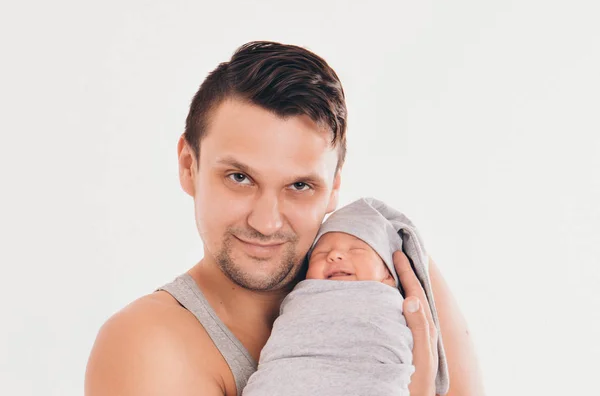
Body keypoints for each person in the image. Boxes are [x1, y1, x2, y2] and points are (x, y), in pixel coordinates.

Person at [85, 41, 485, 396]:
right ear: (189, 166)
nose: (266, 222)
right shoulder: (149, 345)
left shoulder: (385, 260)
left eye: (299, 186)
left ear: (333, 188)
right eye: (239, 178)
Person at [242, 197, 450, 396]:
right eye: (321, 254)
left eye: (356, 250)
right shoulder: (300, 298)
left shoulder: (392, 302)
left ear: (388, 274)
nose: (334, 255)